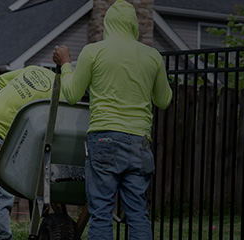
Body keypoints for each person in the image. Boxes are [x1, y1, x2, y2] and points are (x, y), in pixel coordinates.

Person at [51, 0, 172, 238]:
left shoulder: (93, 52)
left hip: (104, 140)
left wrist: (65, 64)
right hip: (139, 143)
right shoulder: (153, 56)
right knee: (138, 213)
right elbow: (164, 100)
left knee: (101, 212)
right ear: (134, 26)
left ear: (108, 25)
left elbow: (72, 95)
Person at [0, 65, 83, 239]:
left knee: (5, 193)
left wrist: (12, 105)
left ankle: (1, 237)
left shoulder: (34, 69)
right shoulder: (64, 94)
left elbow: (2, 80)